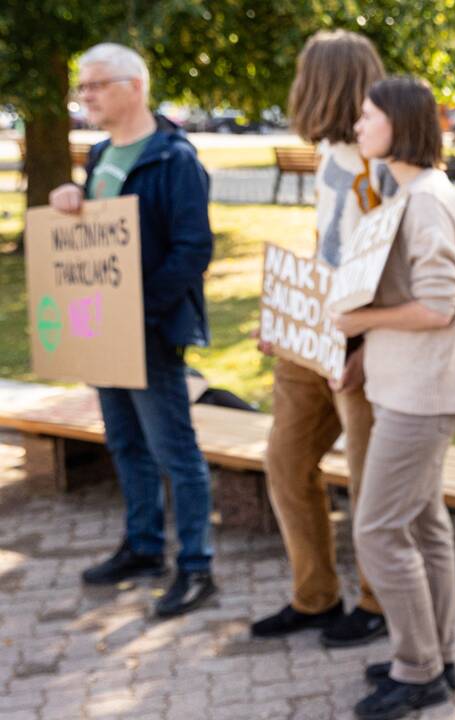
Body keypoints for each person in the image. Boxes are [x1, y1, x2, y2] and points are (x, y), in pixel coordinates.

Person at [332, 76, 455, 720]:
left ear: (398, 123)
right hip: (409, 386)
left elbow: (437, 305)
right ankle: (435, 655)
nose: (359, 125)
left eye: (368, 116)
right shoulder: (414, 192)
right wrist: (363, 353)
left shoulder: (424, 199)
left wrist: (362, 324)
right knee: (424, 526)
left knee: (376, 527)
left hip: (423, 396)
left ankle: (417, 667)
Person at [48, 43, 216, 617]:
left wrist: (138, 312)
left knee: (175, 451)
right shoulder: (99, 156)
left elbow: (194, 250)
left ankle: (196, 565)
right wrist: (70, 197)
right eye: (83, 86)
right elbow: (95, 233)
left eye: (96, 85)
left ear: (135, 86)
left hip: (146, 331)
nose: (86, 95)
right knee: (123, 442)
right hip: (102, 331)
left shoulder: (174, 159)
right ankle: (144, 546)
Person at [249, 30, 392, 649]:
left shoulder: (382, 162)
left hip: (360, 347)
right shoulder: (333, 153)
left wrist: (360, 349)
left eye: (306, 75)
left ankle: (377, 602)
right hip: (310, 339)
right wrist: (284, 317)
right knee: (284, 461)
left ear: (326, 81)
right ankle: (315, 597)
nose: (296, 87)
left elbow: (388, 265)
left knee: (369, 479)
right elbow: (327, 249)